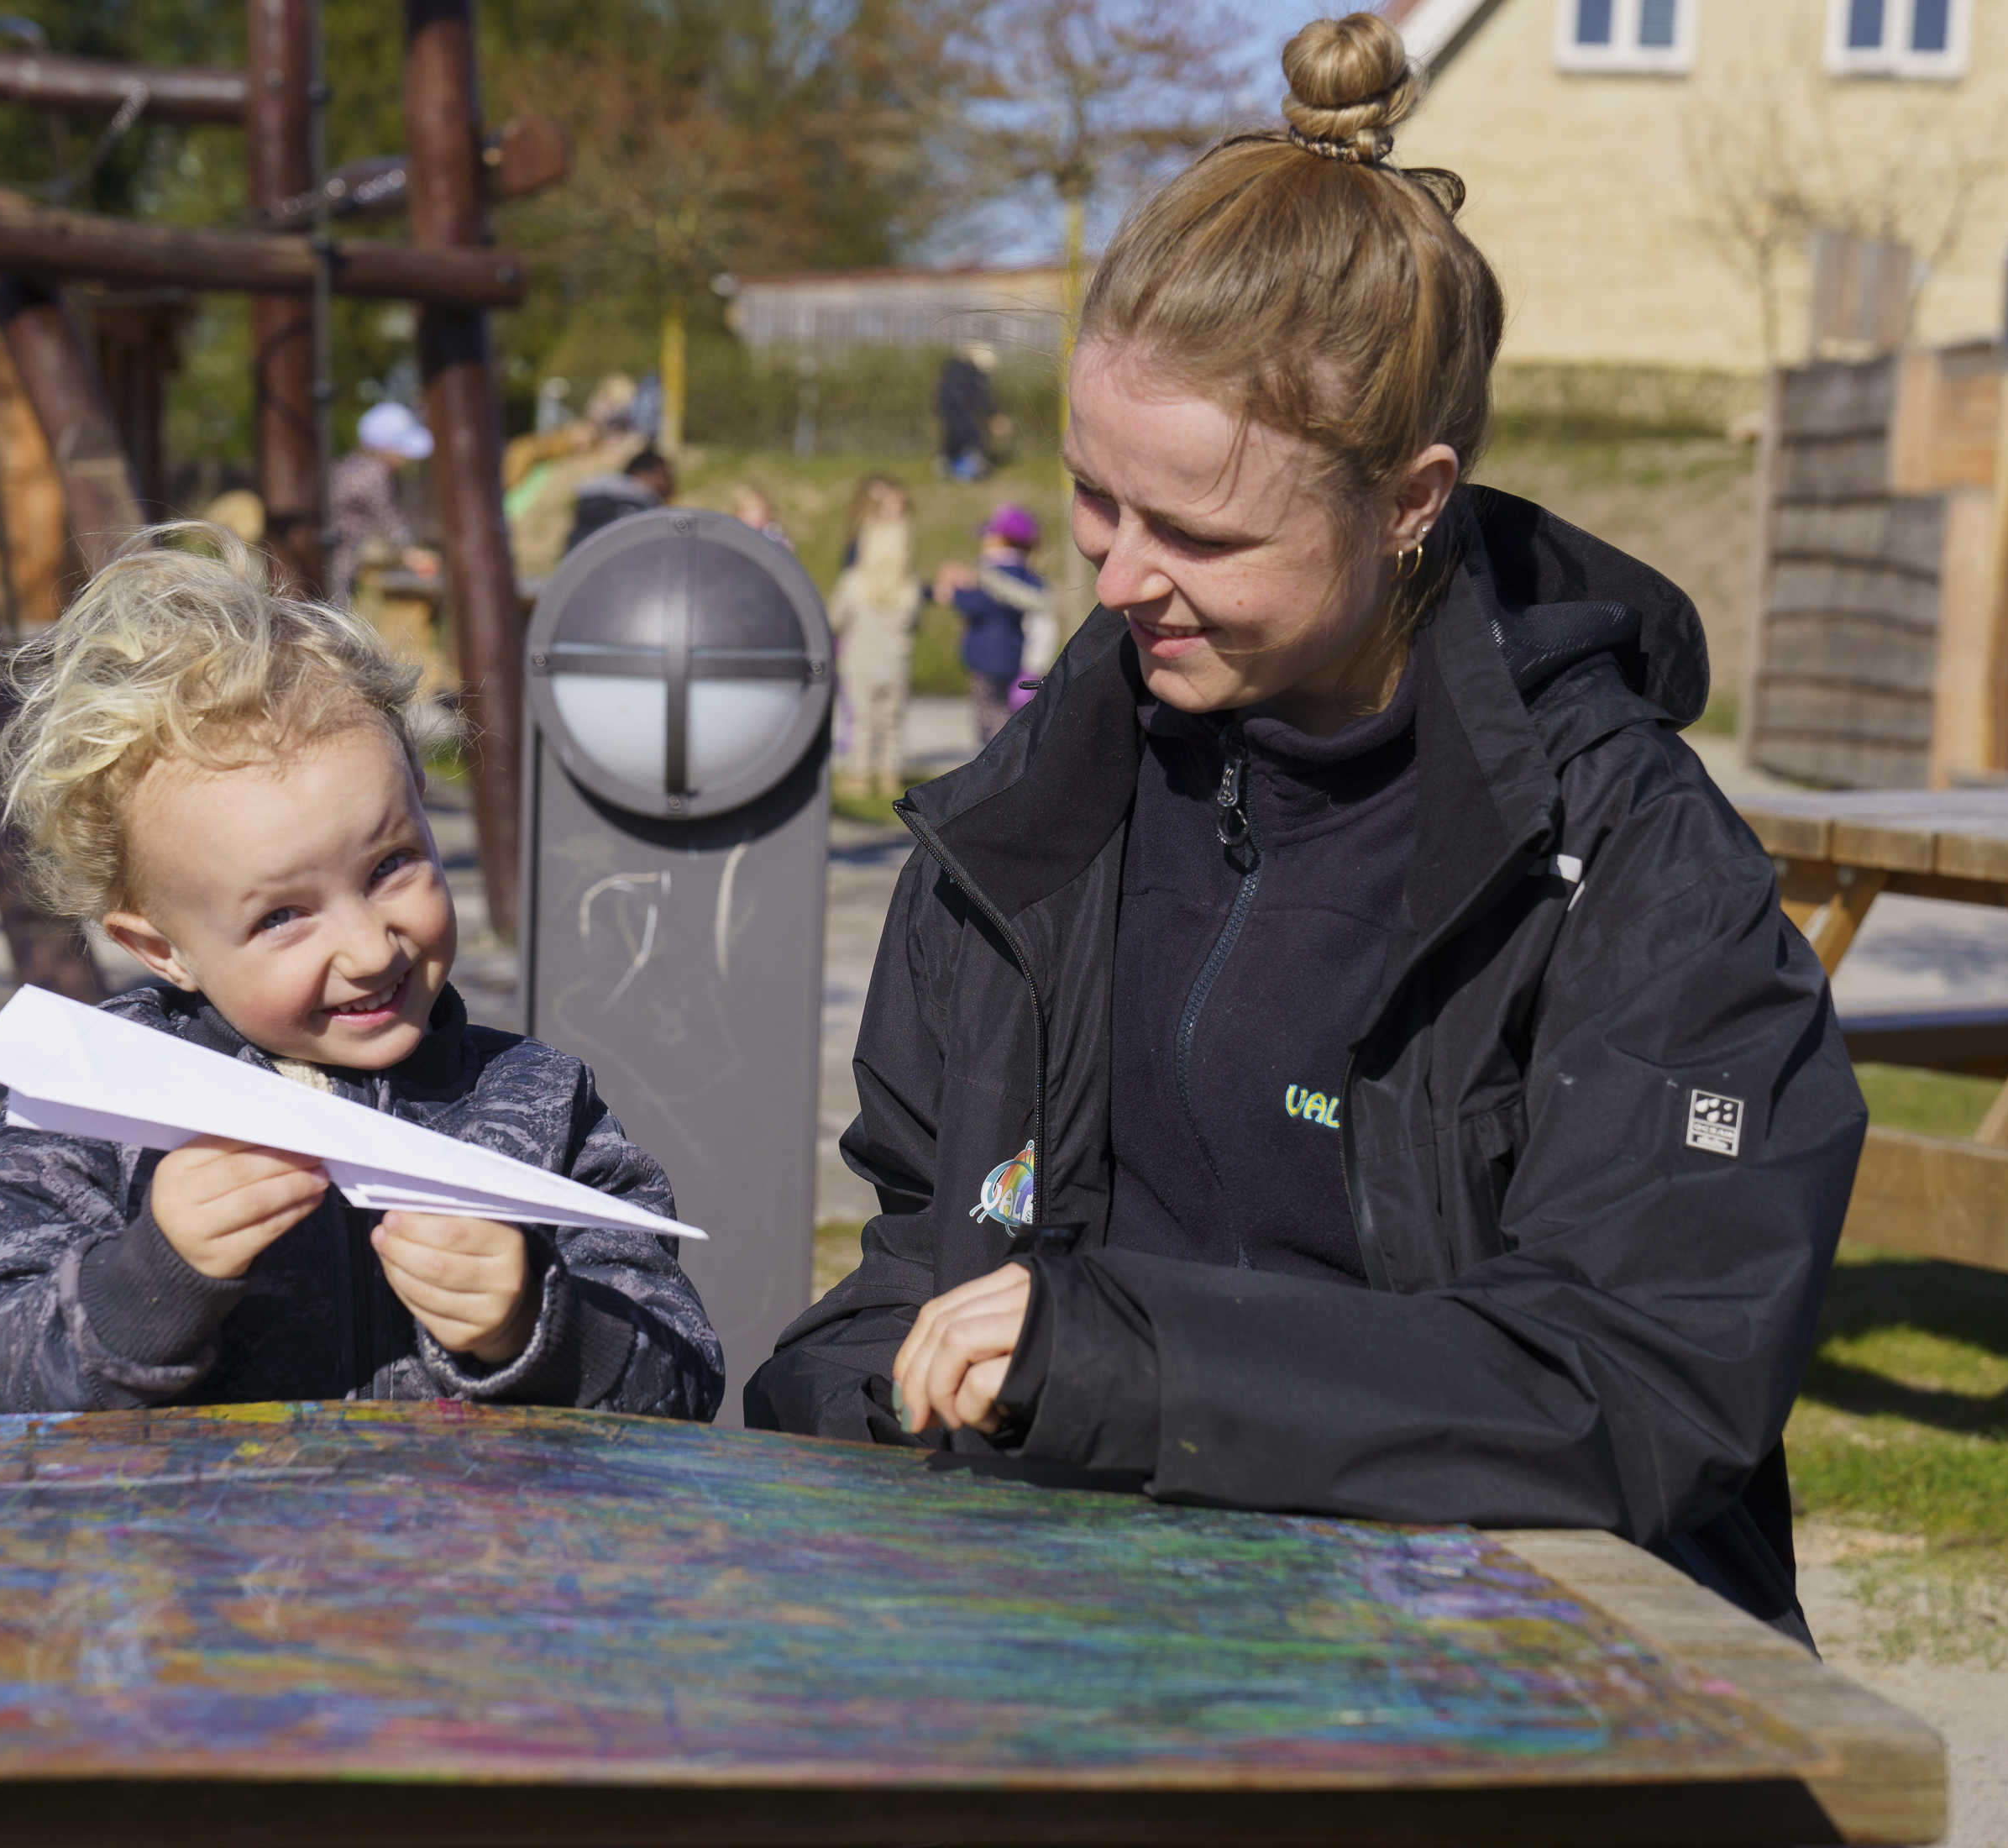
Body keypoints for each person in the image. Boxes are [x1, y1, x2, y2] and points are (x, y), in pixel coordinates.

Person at [745, 12, 1860, 1645]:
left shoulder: (1623, 859)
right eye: (1093, 495)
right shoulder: (1033, 811)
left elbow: (1645, 1374)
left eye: (1196, 527)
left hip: (1502, 1645)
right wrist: (846, 1388)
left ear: (1409, 499)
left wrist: (1124, 1357)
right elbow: (927, 1245)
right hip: (1085, 1624)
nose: (1116, 578)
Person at [0, 524, 723, 1421]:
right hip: (188, 1559)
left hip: (472, 1560)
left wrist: (536, 1323)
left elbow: (682, 1381)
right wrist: (147, 1281)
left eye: (390, 865)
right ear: (160, 947)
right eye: (283, 916)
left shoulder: (540, 1104)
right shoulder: (102, 1117)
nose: (372, 948)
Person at [828, 476, 920, 803]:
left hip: (861, 659)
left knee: (863, 719)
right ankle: (888, 774)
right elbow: (913, 623)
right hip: (895, 660)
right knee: (891, 721)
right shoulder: (909, 590)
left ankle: (860, 774)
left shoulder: (853, 583)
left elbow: (835, 619)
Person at [934, 504, 1049, 747]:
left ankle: (995, 758)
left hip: (987, 659)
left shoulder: (993, 575)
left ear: (1001, 541)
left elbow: (978, 604)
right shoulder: (1028, 575)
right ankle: (1010, 753)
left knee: (989, 713)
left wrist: (954, 593)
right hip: (1015, 655)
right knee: (1011, 710)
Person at [328, 400, 443, 608]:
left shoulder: (351, 466)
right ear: (384, 447)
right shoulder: (373, 475)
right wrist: (411, 553)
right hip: (338, 564)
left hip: (340, 561)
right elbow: (388, 520)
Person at [562, 448, 674, 556]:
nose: (671, 483)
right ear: (643, 473)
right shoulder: (634, 511)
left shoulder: (596, 501)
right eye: (666, 475)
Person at [934, 342, 1004, 481]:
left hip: (951, 412)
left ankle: (950, 468)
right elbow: (982, 397)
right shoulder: (970, 374)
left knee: (954, 441)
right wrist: (993, 414)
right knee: (970, 441)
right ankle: (968, 470)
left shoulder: (953, 369)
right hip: (962, 415)